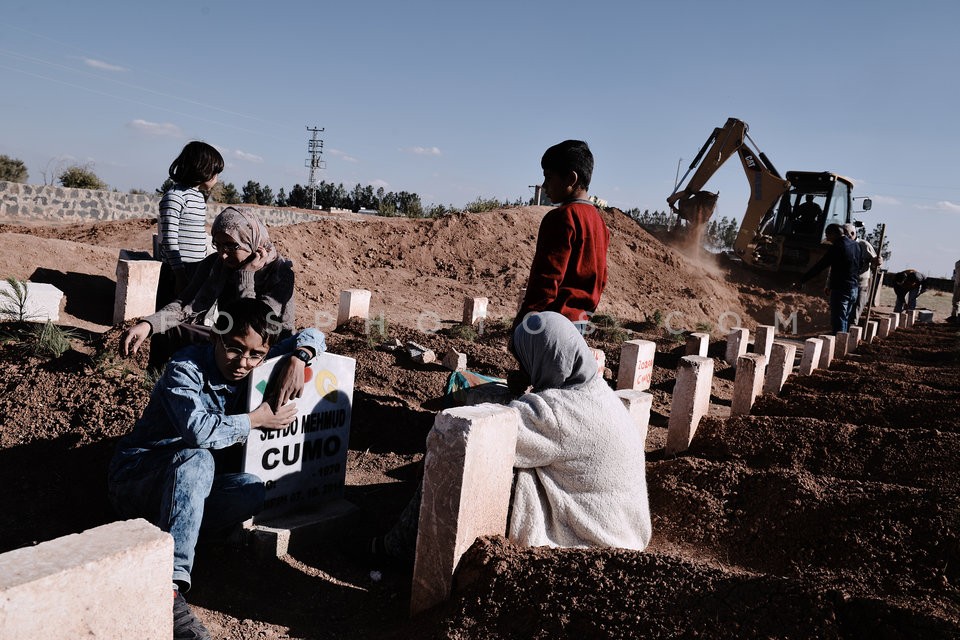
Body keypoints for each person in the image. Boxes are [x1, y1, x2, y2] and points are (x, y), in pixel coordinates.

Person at [107, 298, 326, 640]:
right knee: (197, 458)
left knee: (252, 490)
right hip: (138, 480)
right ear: (214, 337)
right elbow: (198, 431)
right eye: (235, 349)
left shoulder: (258, 356)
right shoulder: (185, 367)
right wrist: (257, 420)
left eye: (256, 355)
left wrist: (300, 357)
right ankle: (169, 591)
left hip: (192, 488)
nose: (244, 363)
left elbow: (314, 334)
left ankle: (181, 533)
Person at [372, 311, 651, 563]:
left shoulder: (556, 411)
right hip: (624, 534)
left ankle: (396, 549)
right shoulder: (598, 393)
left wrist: (510, 396)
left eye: (525, 361)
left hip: (591, 543)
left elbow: (486, 434)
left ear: (542, 358)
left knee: (463, 463)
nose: (523, 369)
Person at [121, 206, 295, 373]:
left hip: (264, 350)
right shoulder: (216, 265)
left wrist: (246, 276)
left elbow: (253, 327)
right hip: (230, 339)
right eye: (217, 245)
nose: (223, 254)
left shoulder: (281, 273)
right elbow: (185, 305)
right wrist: (148, 324)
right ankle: (156, 382)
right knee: (168, 328)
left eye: (230, 246)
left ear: (251, 241)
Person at [513, 140, 610, 336]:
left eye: (549, 177)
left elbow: (546, 280)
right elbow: (601, 279)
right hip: (578, 325)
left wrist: (522, 324)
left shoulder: (561, 217)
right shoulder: (599, 222)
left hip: (549, 325)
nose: (545, 185)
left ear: (571, 179)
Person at [157, 141, 224, 307]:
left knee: (188, 314)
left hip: (196, 268)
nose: (217, 178)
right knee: (169, 313)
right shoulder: (175, 197)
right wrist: (179, 274)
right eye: (215, 172)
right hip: (176, 270)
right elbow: (169, 239)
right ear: (202, 169)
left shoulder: (198, 197)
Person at [794, 223, 866, 333]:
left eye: (827, 235)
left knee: (839, 321)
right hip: (854, 289)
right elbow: (861, 265)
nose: (827, 238)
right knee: (845, 318)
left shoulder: (837, 247)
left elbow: (820, 266)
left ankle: (838, 346)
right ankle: (843, 343)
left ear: (833, 234)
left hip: (841, 289)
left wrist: (802, 280)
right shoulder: (856, 245)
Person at [843, 223, 882, 326]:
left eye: (845, 234)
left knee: (856, 309)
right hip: (846, 282)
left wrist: (877, 261)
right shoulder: (842, 245)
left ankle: (851, 331)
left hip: (861, 283)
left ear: (852, 233)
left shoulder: (864, 245)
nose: (843, 237)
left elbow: (875, 262)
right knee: (844, 309)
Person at [950, 259, 960, 323]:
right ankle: (954, 316)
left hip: (957, 284)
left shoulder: (957, 263)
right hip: (957, 284)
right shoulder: (957, 263)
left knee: (955, 301)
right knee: (955, 301)